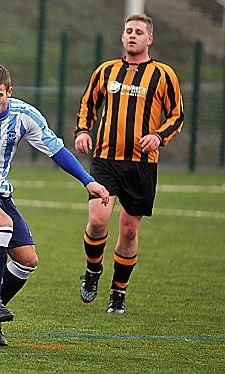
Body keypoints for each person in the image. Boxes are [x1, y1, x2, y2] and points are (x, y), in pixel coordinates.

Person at [0, 61, 110, 346]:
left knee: (27, 261)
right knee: (2, 225)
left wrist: (88, 181)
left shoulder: (24, 115)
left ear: (9, 91)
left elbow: (55, 150)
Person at [74, 14, 184, 314]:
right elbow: (88, 104)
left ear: (149, 39)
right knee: (98, 220)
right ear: (122, 37)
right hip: (106, 159)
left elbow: (177, 115)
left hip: (141, 165)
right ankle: (93, 271)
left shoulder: (164, 75)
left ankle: (118, 292)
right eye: (128, 31)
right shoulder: (106, 70)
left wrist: (159, 137)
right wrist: (83, 130)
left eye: (138, 32)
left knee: (129, 231)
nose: (132, 35)